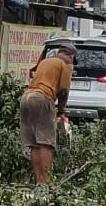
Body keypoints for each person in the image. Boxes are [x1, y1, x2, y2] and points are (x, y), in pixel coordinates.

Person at [19, 41, 75, 185]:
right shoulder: (66, 65)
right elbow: (63, 91)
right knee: (46, 143)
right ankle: (48, 183)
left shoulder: (45, 62)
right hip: (42, 98)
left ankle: (39, 182)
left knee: (34, 144)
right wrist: (61, 111)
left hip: (26, 98)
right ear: (71, 56)